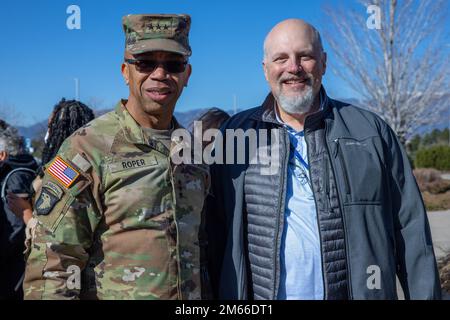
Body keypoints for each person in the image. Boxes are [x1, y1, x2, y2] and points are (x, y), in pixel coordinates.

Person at [206, 19, 441, 300]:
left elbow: (411, 230)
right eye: (281, 58)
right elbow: (213, 235)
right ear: (265, 69)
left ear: (324, 62)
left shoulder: (371, 132)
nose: (293, 68)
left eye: (304, 56)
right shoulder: (235, 135)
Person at [23, 14, 210, 300]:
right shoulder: (87, 149)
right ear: (126, 72)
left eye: (173, 65)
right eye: (146, 63)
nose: (160, 74)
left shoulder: (194, 154)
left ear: (187, 75)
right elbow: (54, 262)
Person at [7, 98, 95, 225]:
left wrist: (26, 213)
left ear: (61, 129)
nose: (48, 133)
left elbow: (55, 236)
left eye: (50, 126)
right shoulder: (95, 161)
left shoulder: (63, 169)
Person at [0, 123, 38, 299]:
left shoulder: (15, 177)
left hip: (13, 269)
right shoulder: (24, 169)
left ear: (2, 154)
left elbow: (15, 226)